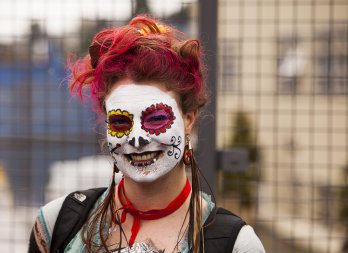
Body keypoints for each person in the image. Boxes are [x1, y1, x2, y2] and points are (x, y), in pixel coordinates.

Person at [28, 15, 266, 253]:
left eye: (156, 119)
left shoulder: (236, 246)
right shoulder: (57, 223)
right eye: (120, 122)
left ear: (188, 119)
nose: (137, 138)